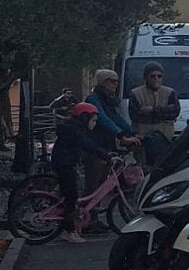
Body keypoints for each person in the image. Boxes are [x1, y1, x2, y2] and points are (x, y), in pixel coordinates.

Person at [52, 103, 115, 244]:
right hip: (65, 164)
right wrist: (107, 156)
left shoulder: (73, 128)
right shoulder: (75, 131)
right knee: (71, 197)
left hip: (65, 163)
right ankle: (69, 231)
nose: (94, 124)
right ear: (84, 118)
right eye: (93, 121)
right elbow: (87, 145)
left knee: (70, 191)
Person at [127, 61, 180, 154]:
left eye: (159, 76)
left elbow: (174, 112)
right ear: (146, 77)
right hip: (142, 140)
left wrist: (152, 110)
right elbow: (135, 116)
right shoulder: (135, 93)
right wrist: (164, 113)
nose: (156, 78)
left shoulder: (170, 92)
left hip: (165, 139)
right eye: (152, 76)